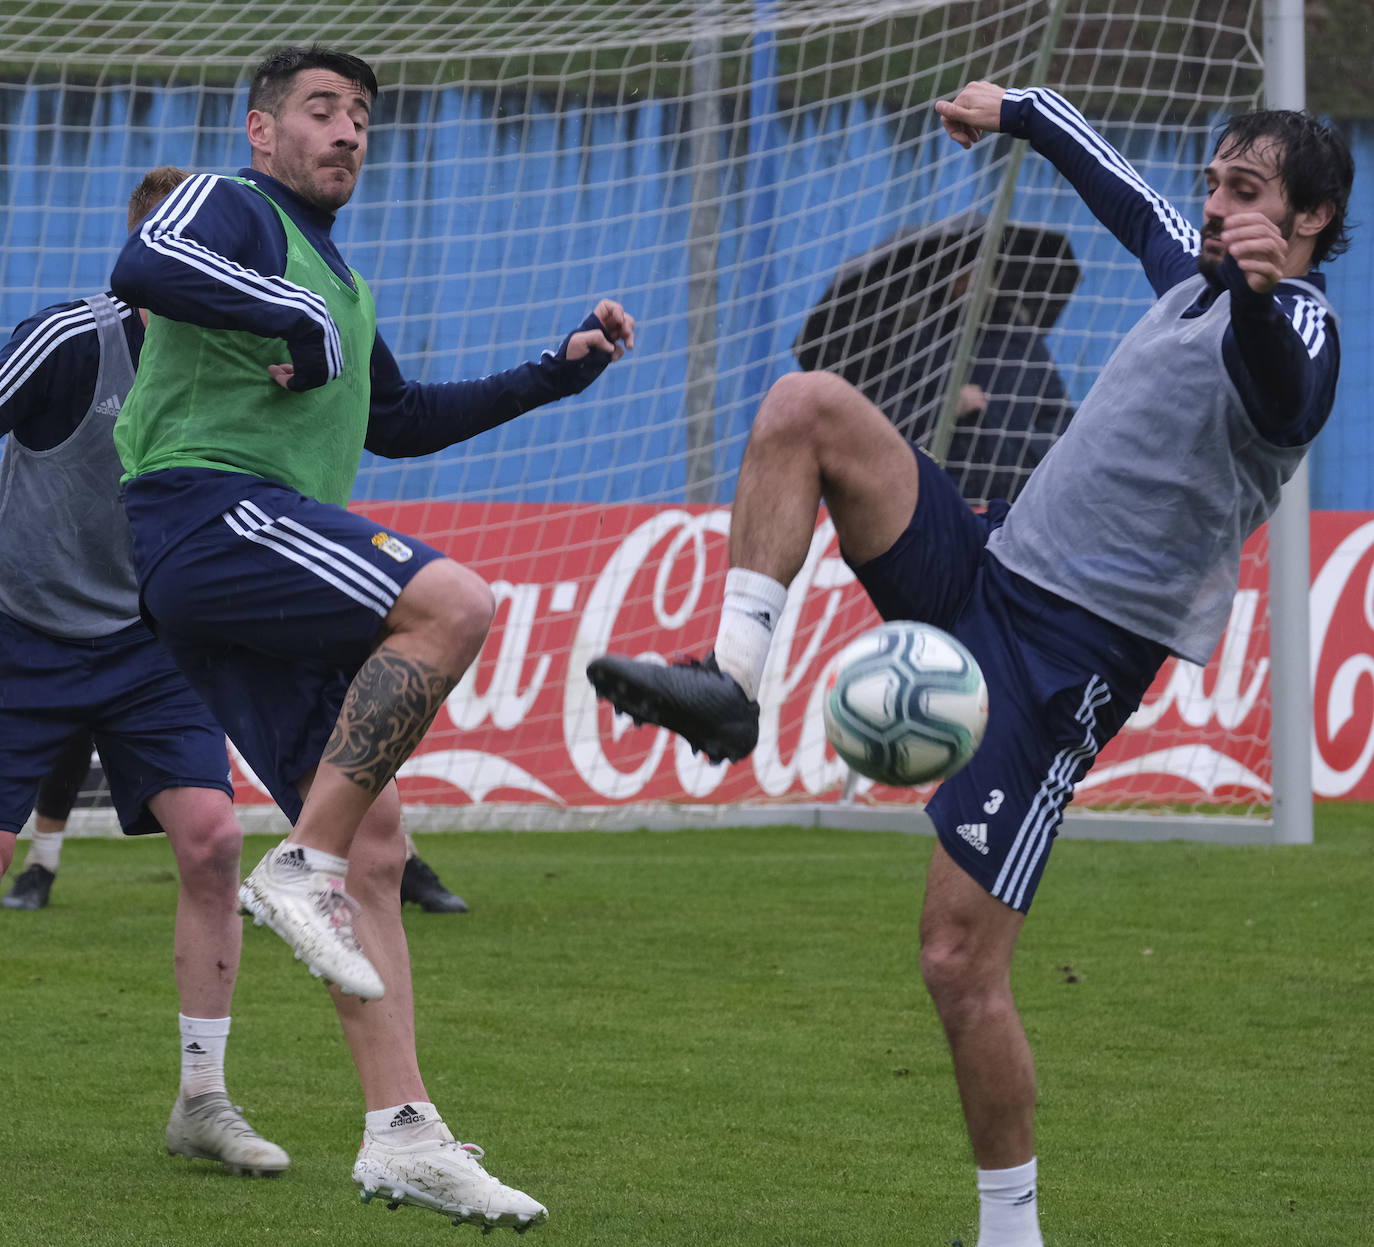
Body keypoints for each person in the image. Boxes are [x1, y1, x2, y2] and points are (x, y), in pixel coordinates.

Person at [588, 80, 1352, 1246]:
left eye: (1244, 194)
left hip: (1071, 656)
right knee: (808, 405)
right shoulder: (1193, 271)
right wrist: (1019, 112)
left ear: (1307, 222)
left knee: (956, 961)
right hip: (989, 568)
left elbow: (1283, 394)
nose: (1212, 207)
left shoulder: (1299, 324)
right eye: (1213, 182)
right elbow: (1120, 187)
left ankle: (1011, 1234)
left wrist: (1253, 293)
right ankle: (734, 681)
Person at [110, 45, 633, 1231]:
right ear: (262, 130)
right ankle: (300, 865)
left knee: (382, 846)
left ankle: (402, 1130)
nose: (347, 132)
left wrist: (557, 372)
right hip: (207, 511)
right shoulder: (229, 206)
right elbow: (145, 258)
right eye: (321, 110)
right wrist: (287, 305)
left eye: (360, 118)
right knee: (456, 602)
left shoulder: (340, 279)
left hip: (251, 558)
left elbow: (395, 419)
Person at [0, 166, 289, 1177]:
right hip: (18, 631)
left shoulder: (248, 361)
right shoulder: (70, 340)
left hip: (148, 643)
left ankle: (202, 1098)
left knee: (213, 841)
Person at [2, 727, 469, 914]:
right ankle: (41, 864)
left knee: (346, 713)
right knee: (75, 719)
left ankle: (389, 859)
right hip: (186, 563)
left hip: (292, 548)